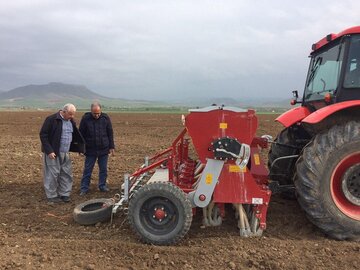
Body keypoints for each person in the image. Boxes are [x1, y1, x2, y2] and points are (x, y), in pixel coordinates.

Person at [39, 103, 85, 204]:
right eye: (70, 114)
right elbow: (43, 135)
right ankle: (52, 196)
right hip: (53, 152)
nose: (72, 116)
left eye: (73, 114)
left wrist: (80, 149)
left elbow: (75, 136)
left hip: (65, 152)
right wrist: (49, 150)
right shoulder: (52, 119)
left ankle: (64, 194)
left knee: (66, 173)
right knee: (52, 174)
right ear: (63, 112)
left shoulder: (71, 121)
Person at [79, 102, 115, 195]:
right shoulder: (85, 118)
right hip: (90, 149)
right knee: (88, 169)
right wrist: (80, 148)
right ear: (91, 111)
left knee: (103, 169)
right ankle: (84, 188)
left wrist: (111, 146)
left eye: (98, 113)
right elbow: (81, 134)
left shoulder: (105, 118)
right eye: (95, 113)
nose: (97, 115)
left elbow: (110, 132)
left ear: (101, 111)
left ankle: (102, 186)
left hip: (103, 148)